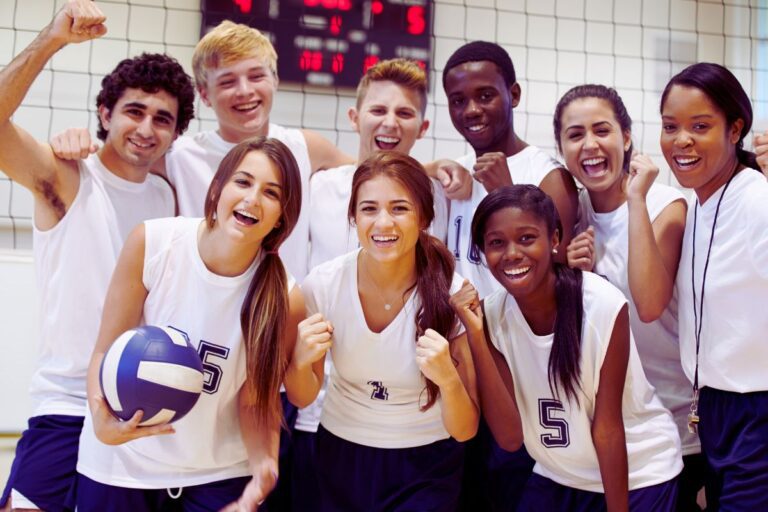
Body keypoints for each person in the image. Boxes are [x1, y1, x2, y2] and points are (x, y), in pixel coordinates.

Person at [0, 2, 195, 511]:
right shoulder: (67, 176)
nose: (147, 128)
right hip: (66, 407)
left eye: (163, 119)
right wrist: (51, 39)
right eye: (134, 111)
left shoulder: (169, 195)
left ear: (176, 134)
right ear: (105, 114)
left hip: (138, 407)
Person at [75, 137, 305, 511]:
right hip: (122, 465)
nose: (252, 199)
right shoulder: (153, 242)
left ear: (282, 215)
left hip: (217, 474)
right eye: (243, 182)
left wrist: (264, 465)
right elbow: (105, 349)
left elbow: (255, 399)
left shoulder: (285, 296)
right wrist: (102, 421)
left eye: (271, 193)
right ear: (217, 188)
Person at [452, 184, 683, 511]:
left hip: (637, 474)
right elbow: (510, 437)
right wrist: (477, 336)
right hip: (558, 474)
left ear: (555, 239)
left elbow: (607, 430)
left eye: (527, 238)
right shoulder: (489, 316)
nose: (512, 253)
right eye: (496, 243)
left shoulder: (601, 304)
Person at [285, 151, 478, 511]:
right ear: (353, 217)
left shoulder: (452, 293)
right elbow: (302, 397)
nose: (383, 223)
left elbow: (465, 429)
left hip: (427, 463)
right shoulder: (323, 285)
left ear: (424, 218)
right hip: (341, 454)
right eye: (369, 209)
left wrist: (448, 380)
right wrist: (299, 362)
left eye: (399, 208)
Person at [441, 40, 579, 510]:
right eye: (458, 100)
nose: (471, 110)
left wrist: (507, 191)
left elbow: (556, 274)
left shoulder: (547, 175)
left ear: (513, 94)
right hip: (463, 363)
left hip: (521, 372)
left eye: (485, 95)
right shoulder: (457, 175)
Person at [554, 84, 703, 510]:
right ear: (562, 149)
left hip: (672, 425)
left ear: (626, 137)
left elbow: (649, 305)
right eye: (575, 135)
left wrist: (635, 198)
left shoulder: (666, 204)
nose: (590, 145)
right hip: (603, 429)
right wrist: (572, 275)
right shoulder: (570, 214)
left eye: (601, 130)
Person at [659, 62, 768, 510]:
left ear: (735, 129)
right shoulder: (698, 203)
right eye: (670, 126)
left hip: (756, 411)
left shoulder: (756, 200)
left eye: (700, 126)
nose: (681, 140)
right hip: (714, 410)